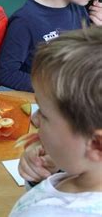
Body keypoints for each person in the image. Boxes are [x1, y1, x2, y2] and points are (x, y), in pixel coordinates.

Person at [10, 26, 102, 216]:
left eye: (43, 113)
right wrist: (49, 174)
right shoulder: (83, 172)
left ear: (96, 144)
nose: (34, 117)